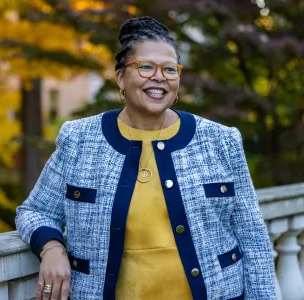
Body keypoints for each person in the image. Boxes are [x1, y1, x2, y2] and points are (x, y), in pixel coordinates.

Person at [15, 16, 276, 300]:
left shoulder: (221, 141)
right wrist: (51, 248)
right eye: (146, 67)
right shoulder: (79, 139)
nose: (159, 77)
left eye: (170, 69)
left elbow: (253, 237)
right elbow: (34, 210)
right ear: (121, 77)